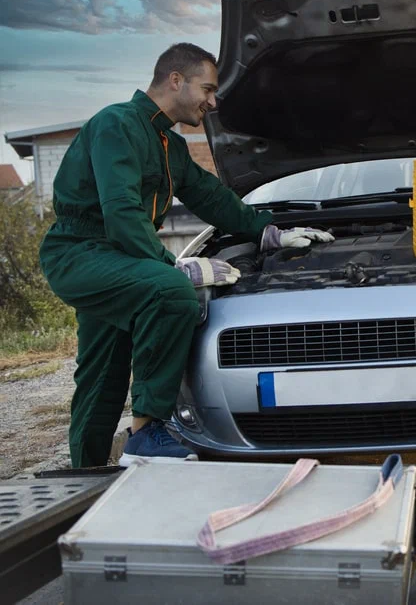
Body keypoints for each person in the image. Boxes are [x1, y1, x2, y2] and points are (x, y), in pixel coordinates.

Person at [39, 43, 334, 468]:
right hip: (82, 253)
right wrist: (174, 266)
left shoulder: (169, 146)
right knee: (171, 291)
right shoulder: (116, 124)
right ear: (176, 80)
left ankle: (85, 474)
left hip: (119, 258)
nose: (212, 103)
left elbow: (211, 197)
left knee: (102, 376)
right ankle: (145, 434)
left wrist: (270, 231)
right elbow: (120, 210)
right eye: (207, 89)